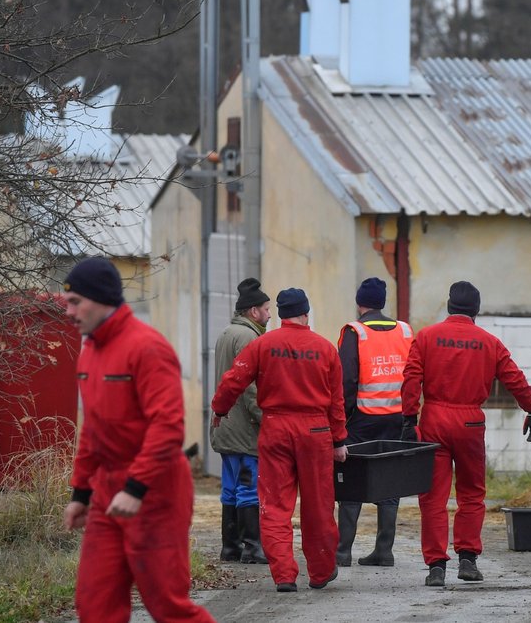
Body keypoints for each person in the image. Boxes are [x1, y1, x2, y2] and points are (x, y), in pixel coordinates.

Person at [61, 256, 215, 622]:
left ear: (101, 300)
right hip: (108, 493)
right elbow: (92, 430)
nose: (68, 312)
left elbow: (168, 426)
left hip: (156, 490)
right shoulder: (89, 351)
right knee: (95, 604)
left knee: (168, 606)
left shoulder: (147, 347)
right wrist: (81, 493)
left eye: (75, 302)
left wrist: (135, 487)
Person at [401, 281, 531, 587]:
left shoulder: (426, 336)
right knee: (472, 493)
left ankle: (436, 566)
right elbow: (514, 378)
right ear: (476, 310)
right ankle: (468, 559)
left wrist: (408, 417)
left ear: (449, 305)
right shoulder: (489, 342)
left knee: (432, 497)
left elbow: (411, 377)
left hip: (434, 420)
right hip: (470, 423)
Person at [212, 287, 347, 593]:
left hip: (275, 428)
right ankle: (321, 571)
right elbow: (336, 402)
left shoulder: (264, 344)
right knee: (318, 506)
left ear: (282, 315)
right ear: (306, 313)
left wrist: (219, 409)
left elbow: (234, 378)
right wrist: (339, 440)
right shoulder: (325, 349)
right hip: (315, 431)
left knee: (274, 505)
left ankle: (284, 575)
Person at [336, 277, 413, 568]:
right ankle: (384, 550)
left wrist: (339, 424)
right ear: (382, 302)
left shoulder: (355, 332)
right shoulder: (405, 331)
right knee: (389, 483)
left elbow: (346, 381)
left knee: (351, 483)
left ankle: (342, 552)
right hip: (396, 419)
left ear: (360, 304)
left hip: (362, 420)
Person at [211, 278, 271, 565]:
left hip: (226, 426)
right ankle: (252, 547)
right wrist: (265, 419)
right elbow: (250, 388)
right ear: (253, 311)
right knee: (248, 485)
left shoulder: (226, 333)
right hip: (244, 430)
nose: (270, 315)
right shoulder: (249, 338)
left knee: (230, 485)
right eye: (266, 309)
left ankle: (230, 547)